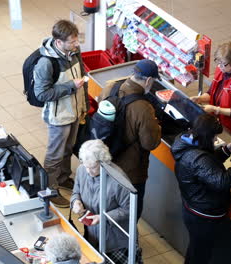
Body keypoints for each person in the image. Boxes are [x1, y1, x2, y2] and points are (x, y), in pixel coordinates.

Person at [171, 114, 231, 264]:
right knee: (200, 255)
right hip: (204, 216)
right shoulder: (197, 157)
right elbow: (220, 181)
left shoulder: (188, 143)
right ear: (206, 136)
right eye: (214, 138)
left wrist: (225, 150)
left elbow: (207, 165)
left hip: (193, 208)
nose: (214, 140)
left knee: (196, 250)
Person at [98, 59, 161, 220]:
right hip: (131, 171)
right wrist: (157, 127)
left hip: (106, 159)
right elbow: (150, 143)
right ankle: (129, 243)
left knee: (108, 204)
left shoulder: (110, 87)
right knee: (130, 212)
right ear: (148, 80)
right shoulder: (143, 107)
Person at [34, 20, 87, 207]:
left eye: (76, 40)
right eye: (72, 42)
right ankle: (50, 189)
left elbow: (82, 80)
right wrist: (70, 87)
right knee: (54, 155)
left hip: (74, 111)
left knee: (68, 148)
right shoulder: (46, 63)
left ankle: (63, 178)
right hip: (58, 117)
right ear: (59, 42)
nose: (77, 44)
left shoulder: (74, 53)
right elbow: (41, 94)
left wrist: (84, 107)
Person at [70, 139, 142, 264]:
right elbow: (76, 191)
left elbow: (129, 209)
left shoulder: (118, 181)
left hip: (116, 242)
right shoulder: (82, 169)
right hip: (93, 235)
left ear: (103, 161)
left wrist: (103, 217)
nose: (88, 172)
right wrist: (75, 201)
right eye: (86, 166)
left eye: (92, 167)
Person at [190, 42, 231, 140]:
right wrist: (199, 98)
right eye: (218, 62)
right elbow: (212, 93)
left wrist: (215, 109)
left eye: (223, 64)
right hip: (219, 125)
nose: (219, 66)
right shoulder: (221, 71)